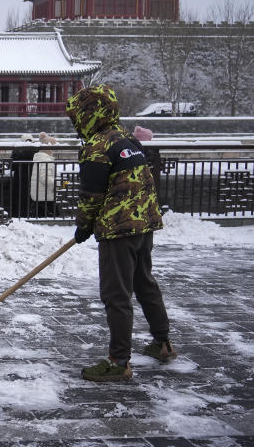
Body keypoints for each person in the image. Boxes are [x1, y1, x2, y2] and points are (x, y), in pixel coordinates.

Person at [66, 85, 176, 383]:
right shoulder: (127, 139)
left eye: (78, 115)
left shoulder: (97, 147)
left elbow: (91, 196)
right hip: (145, 224)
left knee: (117, 295)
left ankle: (119, 361)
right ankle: (162, 343)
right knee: (144, 283)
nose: (76, 121)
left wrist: (84, 226)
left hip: (118, 230)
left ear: (90, 114)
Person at [29, 132, 57, 217]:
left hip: (40, 194)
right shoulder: (46, 160)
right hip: (45, 195)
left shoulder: (39, 158)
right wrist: (59, 183)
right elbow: (44, 178)